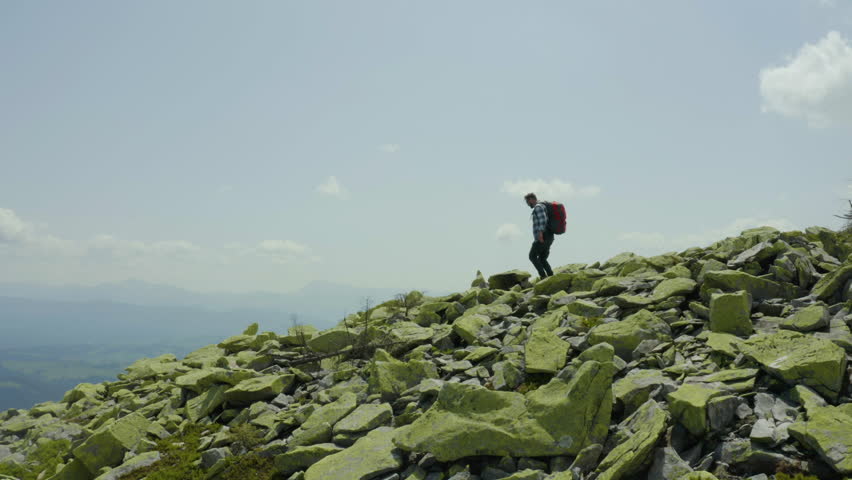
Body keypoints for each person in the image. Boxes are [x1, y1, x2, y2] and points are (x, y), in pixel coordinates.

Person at [525, 192, 554, 279]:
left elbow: (543, 220)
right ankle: (551, 277)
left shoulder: (538, 207)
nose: (527, 204)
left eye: (527, 202)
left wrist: (540, 234)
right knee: (542, 258)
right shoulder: (543, 206)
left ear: (531, 199)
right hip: (549, 236)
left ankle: (543, 277)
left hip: (543, 236)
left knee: (532, 256)